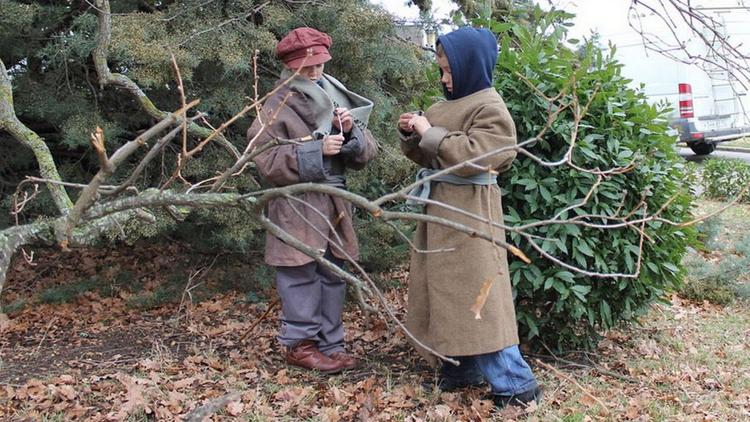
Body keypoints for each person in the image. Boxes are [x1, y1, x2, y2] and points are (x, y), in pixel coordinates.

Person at [397, 26, 541, 407]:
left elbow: (481, 156)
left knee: (480, 297)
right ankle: (460, 368)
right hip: (439, 211)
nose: (444, 78)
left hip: (472, 215)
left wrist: (432, 133)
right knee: (443, 293)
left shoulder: (489, 106)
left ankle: (515, 385)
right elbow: (433, 156)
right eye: (441, 70)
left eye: (449, 70)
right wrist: (413, 136)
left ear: (471, 65)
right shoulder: (440, 107)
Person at [248, 27, 378, 374]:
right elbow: (264, 159)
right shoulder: (276, 103)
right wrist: (314, 150)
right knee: (299, 274)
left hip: (334, 202)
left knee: (333, 273)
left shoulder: (336, 94)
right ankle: (300, 345)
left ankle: (330, 344)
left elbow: (368, 152)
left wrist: (351, 132)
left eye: (319, 64)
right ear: (291, 66)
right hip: (296, 204)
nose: (315, 72)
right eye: (307, 66)